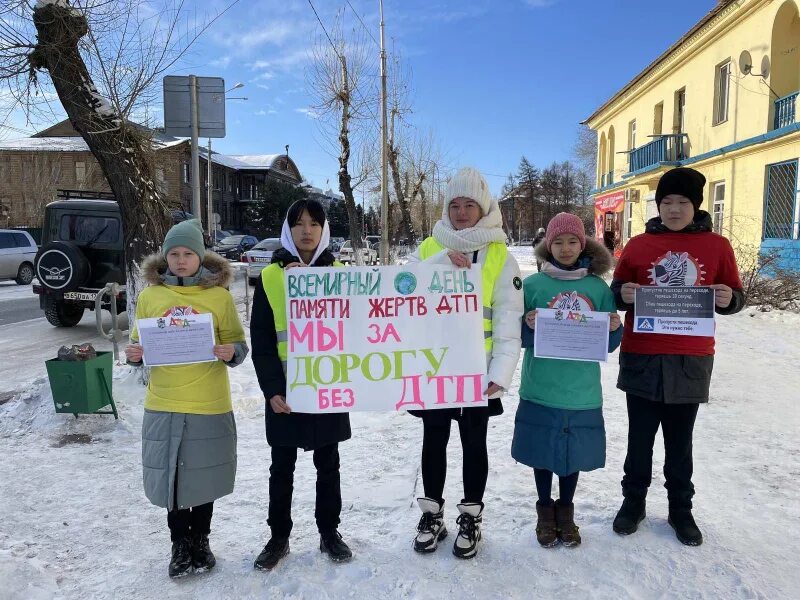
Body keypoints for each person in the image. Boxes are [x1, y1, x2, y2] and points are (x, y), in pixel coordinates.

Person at [610, 167, 744, 546]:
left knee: (680, 440)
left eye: (682, 202)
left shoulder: (718, 247)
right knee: (639, 438)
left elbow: (735, 294)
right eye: (666, 202)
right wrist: (625, 294)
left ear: (695, 206)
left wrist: (728, 299)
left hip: (690, 358)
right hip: (643, 355)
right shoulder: (638, 246)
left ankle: (680, 510)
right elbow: (615, 290)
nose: (673, 209)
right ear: (658, 206)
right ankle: (632, 503)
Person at [406, 167, 523, 559]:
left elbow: (509, 323)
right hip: (435, 370)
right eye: (454, 204)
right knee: (433, 441)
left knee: (474, 444)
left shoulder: (500, 255)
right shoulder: (428, 248)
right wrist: (439, 262)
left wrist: (500, 374)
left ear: (483, 207)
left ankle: (471, 515)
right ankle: (432, 513)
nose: (460, 212)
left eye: (468, 204)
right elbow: (401, 294)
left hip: (479, 372)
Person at [126, 219, 248, 578]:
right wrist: (134, 354)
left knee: (204, 476)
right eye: (174, 254)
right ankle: (179, 543)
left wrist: (231, 351)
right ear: (165, 258)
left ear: (201, 257)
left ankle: (201, 540)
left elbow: (238, 344)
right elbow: (138, 344)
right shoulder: (150, 297)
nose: (181, 260)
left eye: (188, 253)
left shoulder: (219, 297)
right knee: (172, 480)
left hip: (209, 401)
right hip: (164, 401)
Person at [250, 198, 353, 570]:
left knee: (329, 464)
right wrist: (272, 390)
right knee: (282, 467)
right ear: (288, 230)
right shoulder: (271, 277)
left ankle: (329, 532)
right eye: (299, 223)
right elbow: (262, 339)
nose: (306, 230)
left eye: (314, 223)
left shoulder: (342, 275)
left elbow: (360, 333)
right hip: (286, 393)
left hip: (327, 387)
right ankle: (278, 537)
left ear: (323, 229)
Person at [512, 213, 622, 548]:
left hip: (580, 391)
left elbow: (609, 343)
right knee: (543, 452)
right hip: (541, 387)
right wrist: (527, 325)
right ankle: (545, 511)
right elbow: (515, 336)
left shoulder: (596, 287)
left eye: (572, 241)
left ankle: (566, 512)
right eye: (557, 242)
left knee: (571, 455)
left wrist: (615, 328)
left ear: (583, 244)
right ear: (548, 247)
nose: (565, 248)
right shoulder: (532, 286)